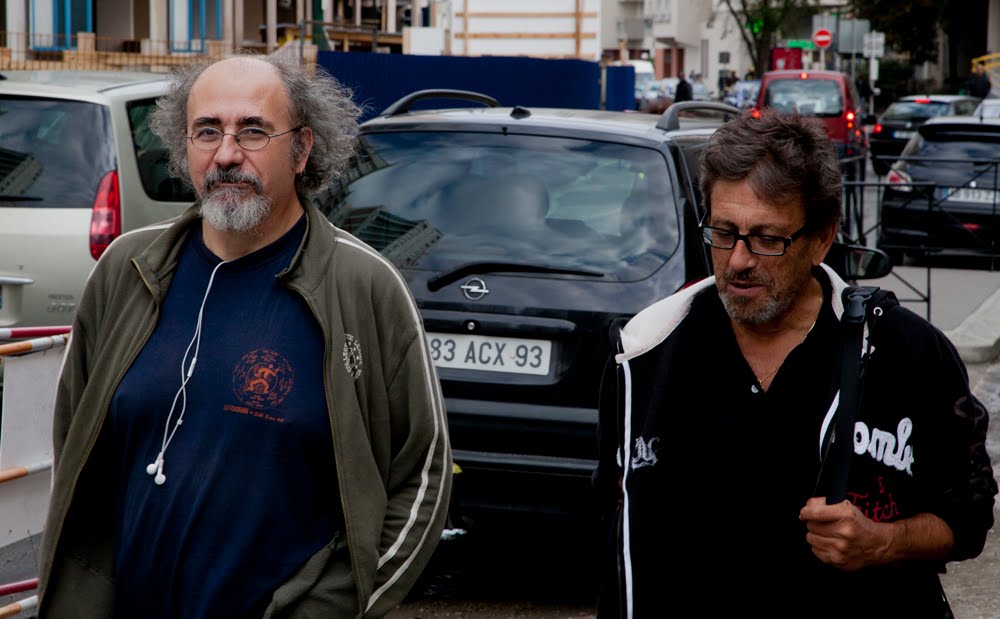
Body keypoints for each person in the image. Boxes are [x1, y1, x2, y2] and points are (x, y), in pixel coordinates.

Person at [37, 54, 452, 618]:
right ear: (184, 146)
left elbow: (422, 475)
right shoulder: (126, 269)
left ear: (301, 149)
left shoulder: (364, 286)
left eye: (253, 131)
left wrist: (334, 608)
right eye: (207, 131)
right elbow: (74, 447)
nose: (227, 154)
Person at [594, 109, 996, 617]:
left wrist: (881, 542)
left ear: (821, 238)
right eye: (723, 232)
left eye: (767, 238)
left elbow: (967, 519)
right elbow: (614, 529)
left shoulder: (904, 352)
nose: (738, 260)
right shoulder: (645, 351)